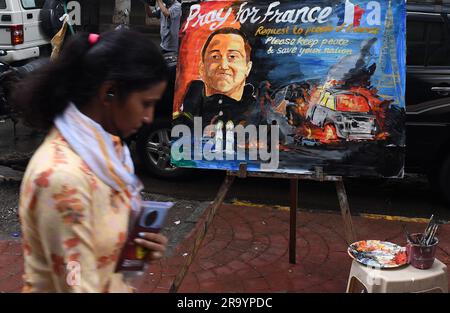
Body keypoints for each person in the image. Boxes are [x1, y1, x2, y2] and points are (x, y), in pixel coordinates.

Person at [13, 29, 169, 292]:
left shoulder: (105, 149)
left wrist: (135, 249)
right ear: (109, 92)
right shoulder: (62, 180)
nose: (149, 118)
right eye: (145, 103)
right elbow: (75, 282)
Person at [178, 27, 263, 127]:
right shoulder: (186, 113)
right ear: (202, 68)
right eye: (215, 57)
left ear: (247, 68)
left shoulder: (259, 116)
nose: (223, 65)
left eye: (232, 56)